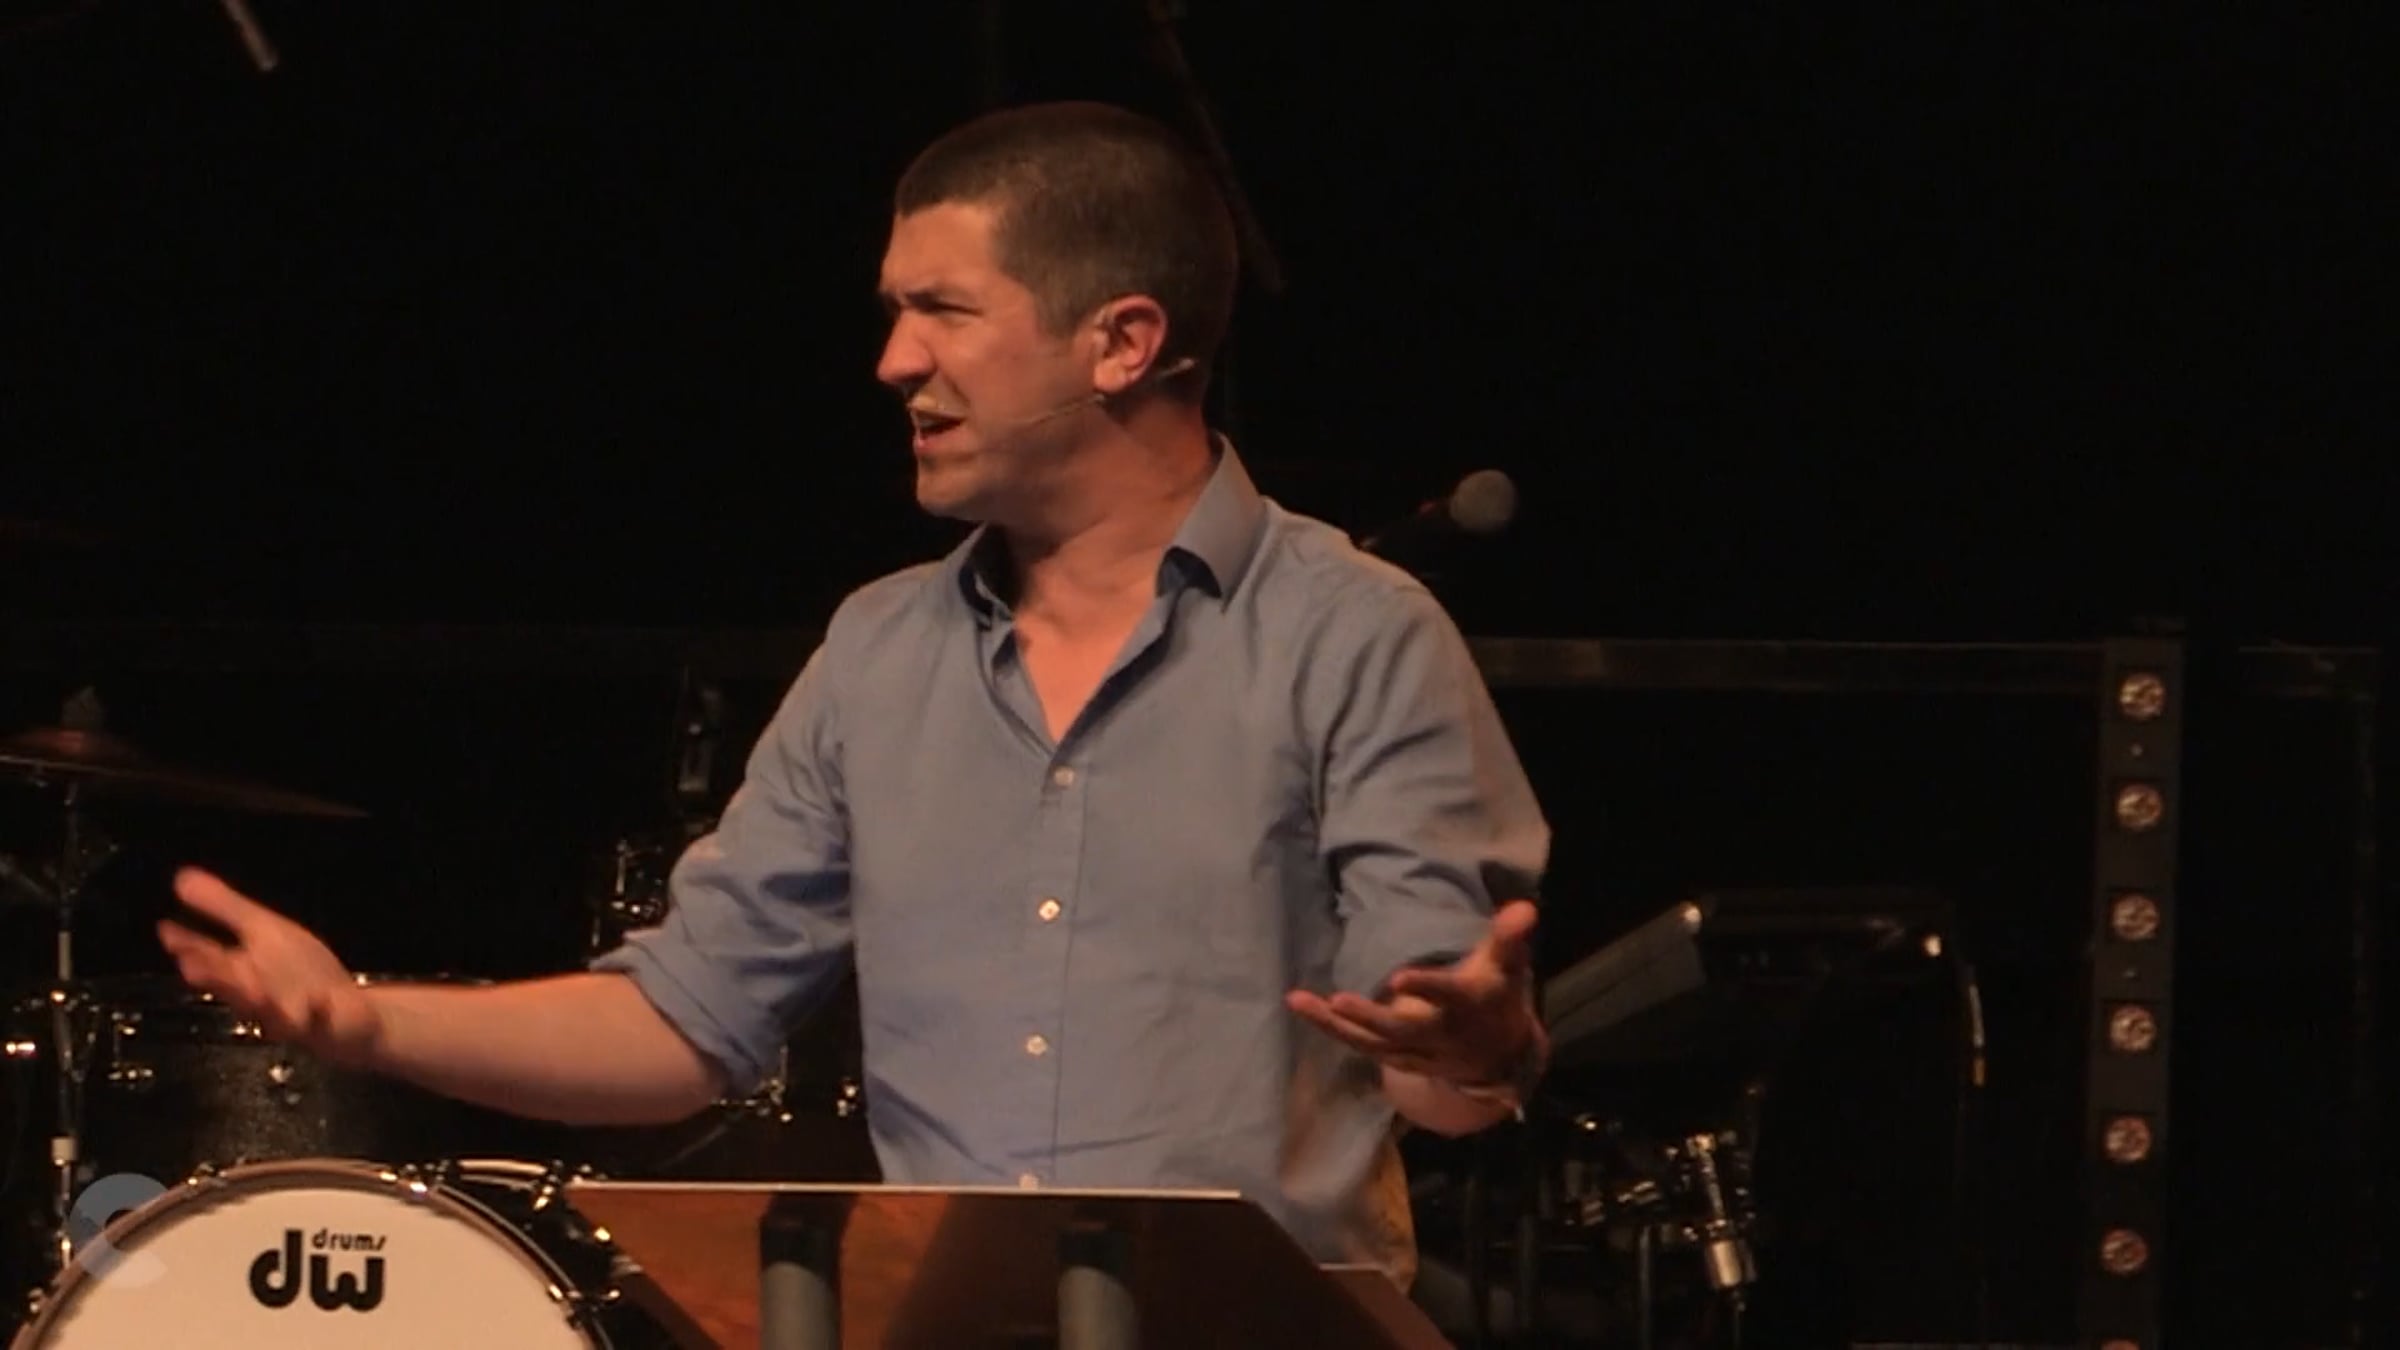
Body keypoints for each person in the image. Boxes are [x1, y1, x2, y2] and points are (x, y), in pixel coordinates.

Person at [158, 100, 1551, 1289]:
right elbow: (681, 1024)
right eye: (895, 313)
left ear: (1121, 343)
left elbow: (1437, 1069)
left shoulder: (1354, 636)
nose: (895, 361)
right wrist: (367, 1020)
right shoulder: (881, 653)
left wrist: (1481, 1047)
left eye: (944, 310)